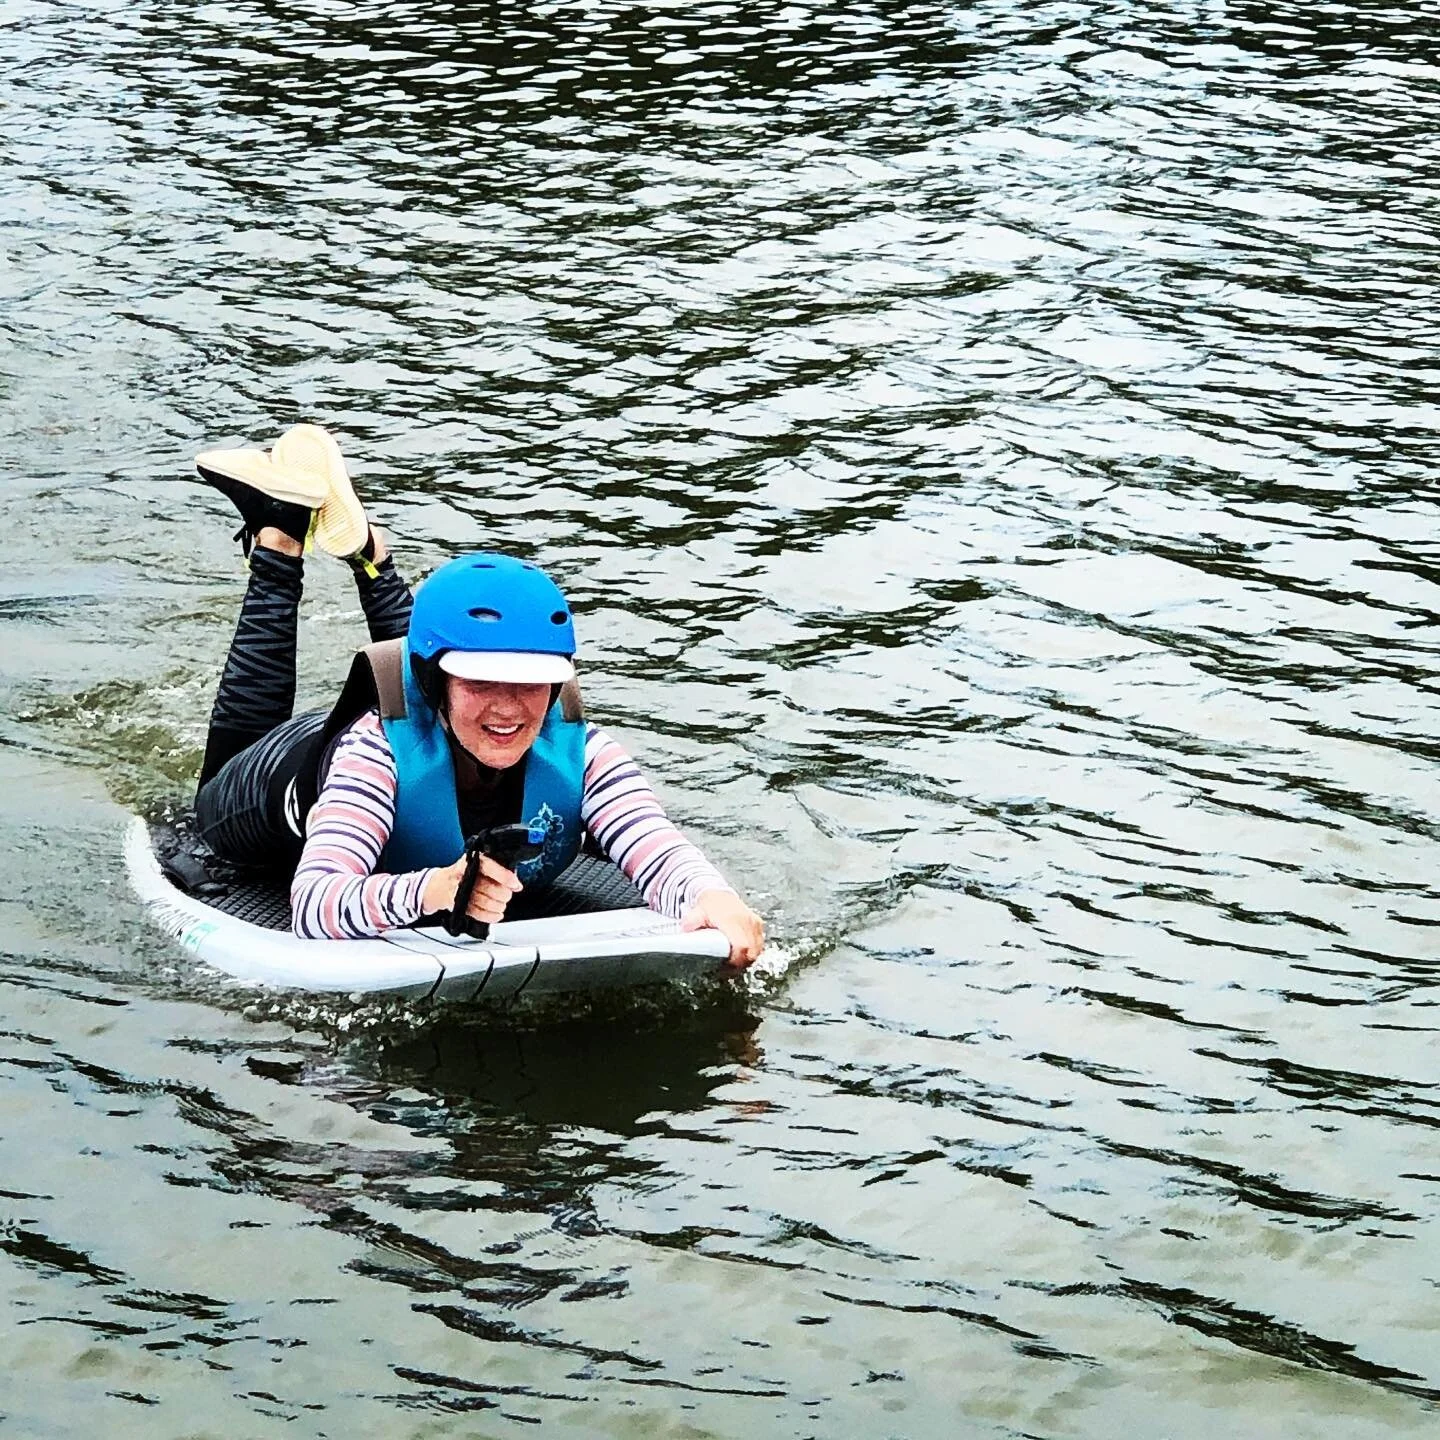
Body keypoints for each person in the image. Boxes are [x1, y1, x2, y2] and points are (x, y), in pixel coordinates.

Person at [190, 423, 765, 968]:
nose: (510, 709)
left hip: (428, 712)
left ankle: (371, 555)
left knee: (454, 667)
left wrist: (709, 896)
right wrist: (435, 889)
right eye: (482, 680)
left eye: (531, 683)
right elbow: (315, 904)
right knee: (215, 791)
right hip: (277, 780)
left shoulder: (587, 754)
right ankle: (280, 539)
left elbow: (658, 845)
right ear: (435, 681)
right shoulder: (373, 758)